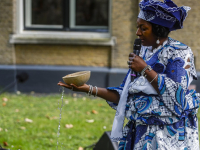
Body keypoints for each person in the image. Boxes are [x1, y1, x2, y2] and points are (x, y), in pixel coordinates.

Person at [58, 0, 200, 149]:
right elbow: (125, 96)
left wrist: (145, 69)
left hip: (168, 137)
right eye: (137, 27)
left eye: (143, 28)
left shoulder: (179, 52)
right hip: (139, 133)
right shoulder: (143, 51)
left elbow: (178, 100)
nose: (138, 33)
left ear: (158, 29)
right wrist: (88, 89)